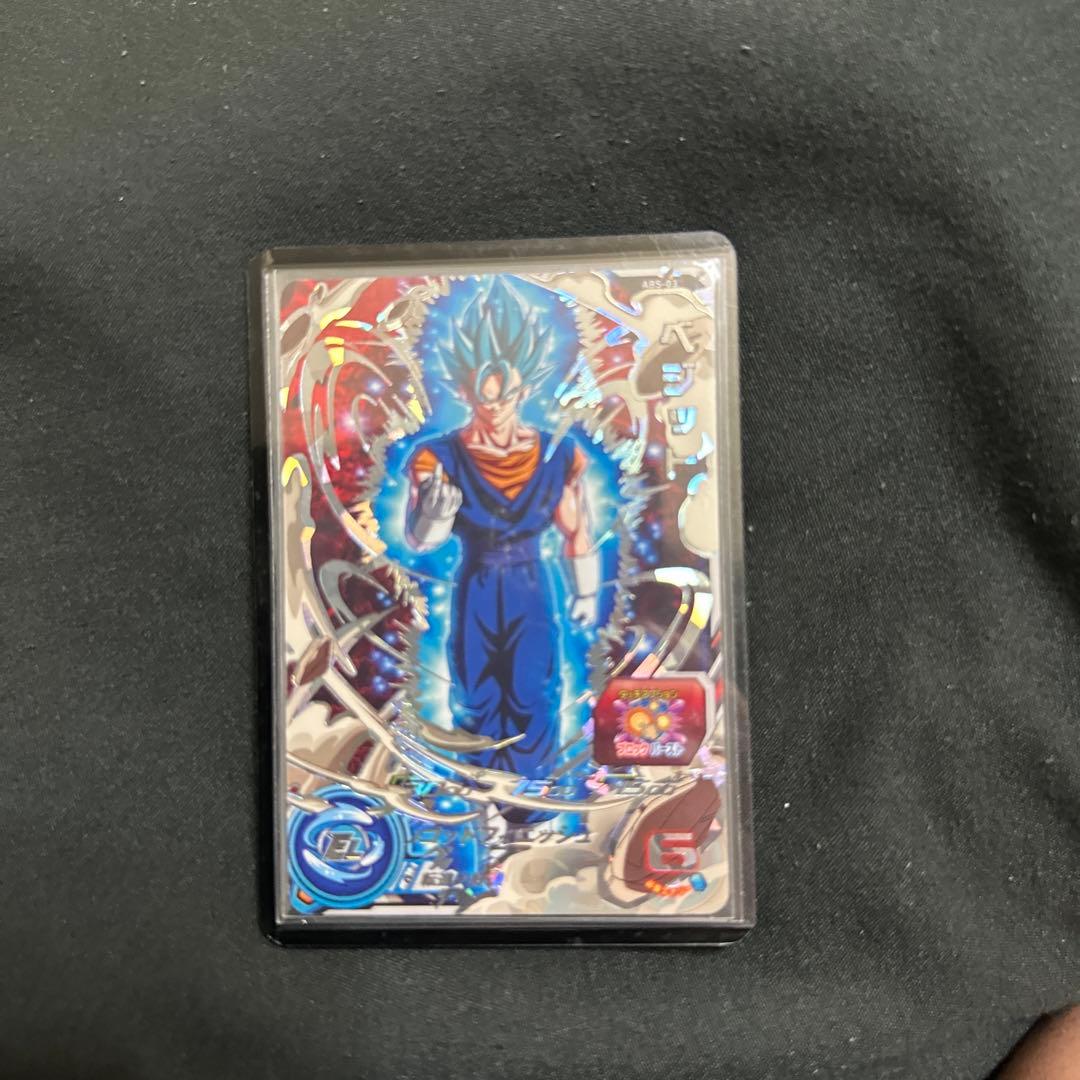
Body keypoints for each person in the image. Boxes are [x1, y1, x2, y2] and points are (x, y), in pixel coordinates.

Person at [404, 277, 600, 822]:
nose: (493, 408)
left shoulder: (557, 454)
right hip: (476, 584)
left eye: (504, 395)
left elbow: (576, 530)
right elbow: (421, 541)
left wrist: (586, 592)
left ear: (523, 390)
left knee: (534, 691)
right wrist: (431, 517)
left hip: (533, 586)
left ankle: (530, 809)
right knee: (476, 693)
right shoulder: (438, 455)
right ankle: (480, 811)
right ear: (466, 392)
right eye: (483, 396)